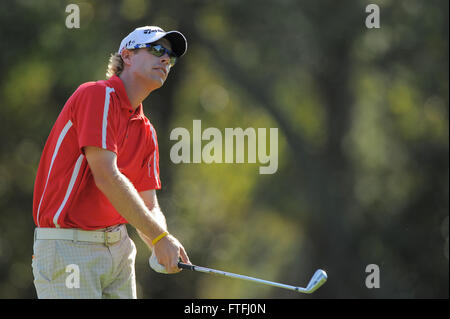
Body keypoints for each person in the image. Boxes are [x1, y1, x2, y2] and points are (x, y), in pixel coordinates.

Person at [31, 26, 190, 299]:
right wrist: (159, 239)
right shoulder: (97, 95)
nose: (165, 59)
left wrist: (162, 241)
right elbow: (106, 175)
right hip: (69, 249)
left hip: (120, 250)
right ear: (126, 56)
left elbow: (149, 204)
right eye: (155, 50)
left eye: (170, 57)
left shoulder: (147, 131)